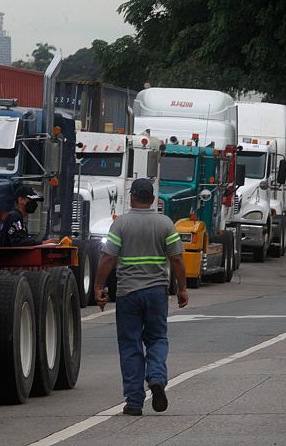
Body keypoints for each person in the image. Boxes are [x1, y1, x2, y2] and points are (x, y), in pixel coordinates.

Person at [94, 178, 188, 416]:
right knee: (157, 339)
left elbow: (107, 258)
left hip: (128, 294)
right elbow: (177, 258)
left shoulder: (121, 224)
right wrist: (182, 288)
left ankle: (135, 402)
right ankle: (156, 377)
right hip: (157, 292)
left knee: (130, 345)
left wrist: (98, 287)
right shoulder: (165, 224)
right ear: (153, 198)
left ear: (132, 197)